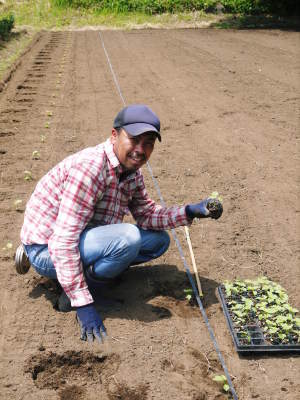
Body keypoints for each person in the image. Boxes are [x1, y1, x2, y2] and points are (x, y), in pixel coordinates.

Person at [15, 104, 223, 344]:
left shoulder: (131, 172)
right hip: (49, 247)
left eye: (148, 144)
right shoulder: (91, 169)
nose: (140, 150)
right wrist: (83, 304)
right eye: (134, 140)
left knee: (158, 241)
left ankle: (87, 275)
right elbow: (63, 242)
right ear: (114, 135)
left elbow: (147, 215)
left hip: (83, 236)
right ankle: (78, 292)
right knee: (127, 238)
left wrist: (190, 211)